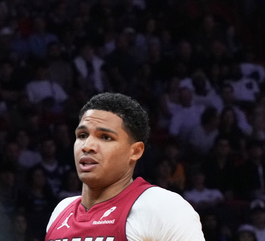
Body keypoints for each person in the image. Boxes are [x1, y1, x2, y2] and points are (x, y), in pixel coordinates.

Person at [44, 92, 203, 241]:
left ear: (135, 151)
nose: (87, 146)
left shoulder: (162, 206)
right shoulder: (61, 210)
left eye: (105, 137)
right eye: (82, 135)